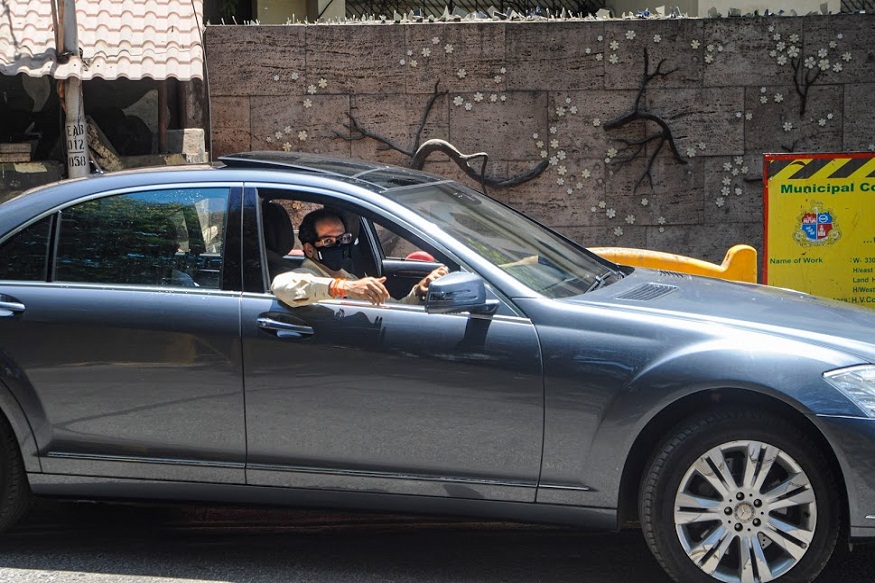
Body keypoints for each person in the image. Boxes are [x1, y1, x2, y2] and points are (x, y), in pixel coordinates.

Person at [271, 208, 448, 308]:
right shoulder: (305, 273)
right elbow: (282, 286)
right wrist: (344, 288)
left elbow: (394, 308)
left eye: (343, 239)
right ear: (310, 250)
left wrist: (420, 289)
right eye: (328, 241)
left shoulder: (348, 277)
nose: (339, 245)